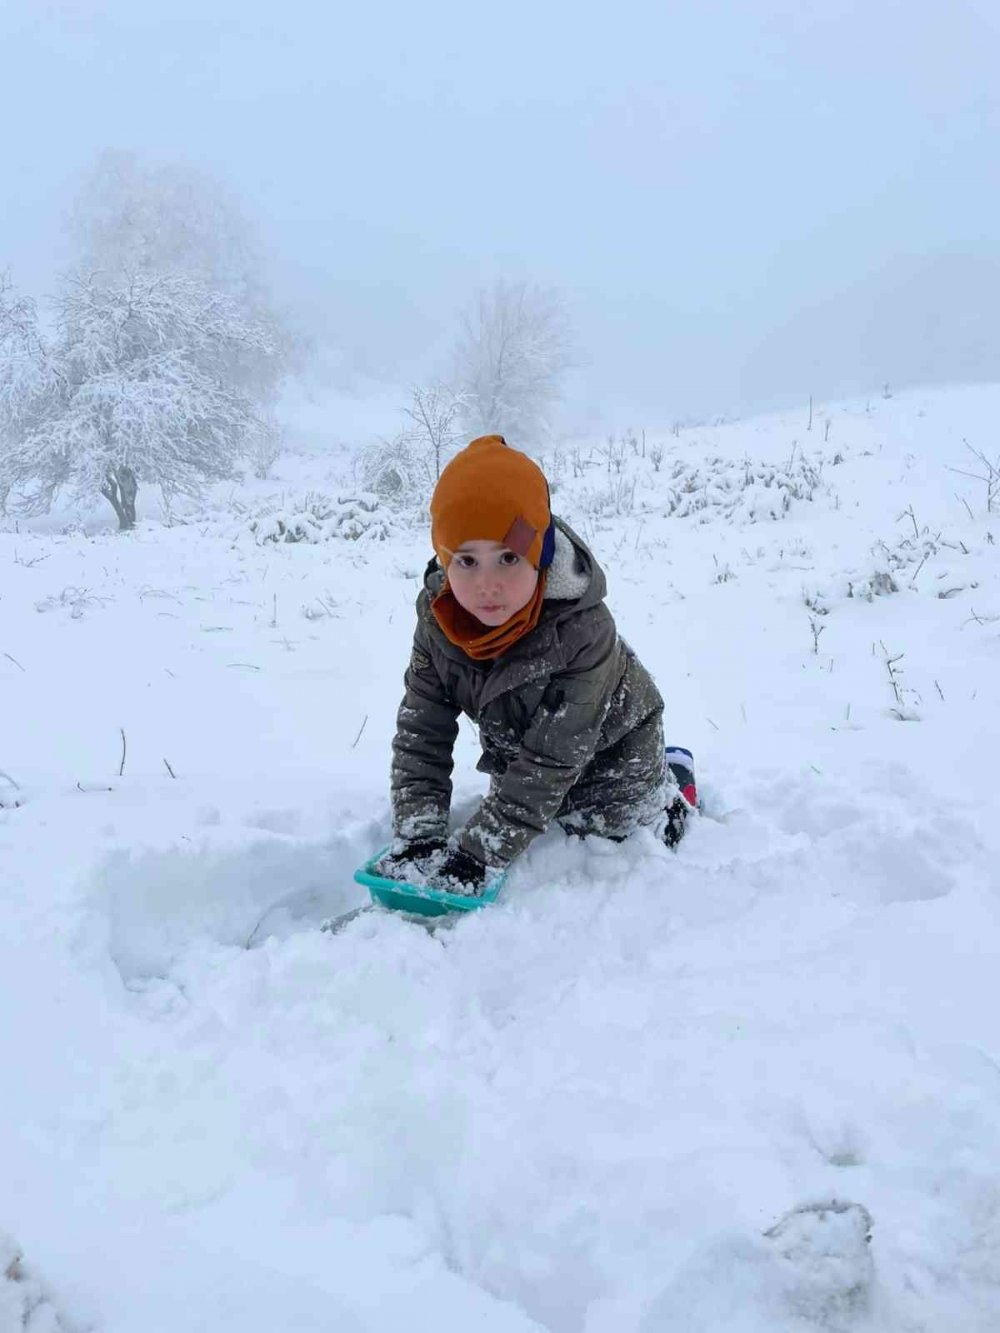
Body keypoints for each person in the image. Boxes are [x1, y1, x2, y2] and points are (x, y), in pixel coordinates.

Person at [378, 434, 696, 894]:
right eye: (466, 560)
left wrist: (477, 855)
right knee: (533, 818)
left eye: (508, 557)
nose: (487, 584)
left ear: (540, 556)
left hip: (613, 760)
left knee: (621, 843)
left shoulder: (583, 632)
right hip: (526, 753)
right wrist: (418, 835)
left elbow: (550, 762)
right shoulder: (437, 622)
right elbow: (422, 733)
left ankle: (675, 793)